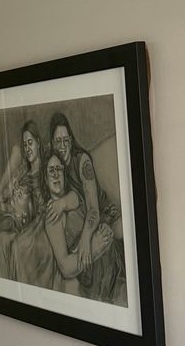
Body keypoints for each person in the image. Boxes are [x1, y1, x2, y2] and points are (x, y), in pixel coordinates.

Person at [42, 150, 127, 305]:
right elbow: (66, 267)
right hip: (95, 278)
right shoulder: (52, 219)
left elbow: (91, 210)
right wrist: (95, 247)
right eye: (51, 170)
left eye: (59, 169)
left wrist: (104, 228)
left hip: (115, 259)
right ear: (45, 179)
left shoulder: (74, 196)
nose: (56, 174)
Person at [49, 112, 122, 274]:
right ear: (53, 144)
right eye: (58, 141)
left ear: (70, 140)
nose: (62, 146)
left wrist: (85, 238)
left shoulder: (82, 161)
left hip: (102, 216)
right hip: (80, 222)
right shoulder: (55, 166)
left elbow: (94, 209)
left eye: (65, 140)